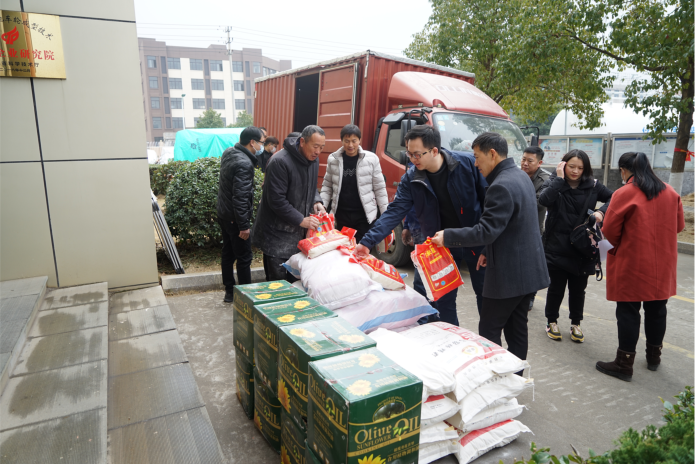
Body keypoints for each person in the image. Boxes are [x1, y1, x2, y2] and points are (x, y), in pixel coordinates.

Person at [430, 132, 550, 363]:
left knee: (489, 330)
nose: (475, 164)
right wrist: (487, 250)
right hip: (528, 270)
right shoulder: (521, 176)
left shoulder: (501, 185)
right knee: (517, 329)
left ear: (492, 154)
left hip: (509, 276)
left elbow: (485, 230)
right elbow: (513, 224)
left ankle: (495, 374)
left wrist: (448, 236)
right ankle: (515, 375)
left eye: (477, 157)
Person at [354, 125, 488, 324]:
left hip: (475, 239)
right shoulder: (412, 178)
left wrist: (488, 243)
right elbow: (395, 211)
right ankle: (449, 337)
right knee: (443, 300)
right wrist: (367, 242)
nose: (412, 159)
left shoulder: (466, 164)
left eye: (417, 154)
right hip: (440, 245)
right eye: (409, 154)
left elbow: (488, 201)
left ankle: (487, 340)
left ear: (434, 151)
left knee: (485, 296)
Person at [596, 152, 685, 382]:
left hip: (631, 262)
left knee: (628, 311)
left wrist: (608, 249)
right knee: (657, 310)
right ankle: (654, 358)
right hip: (662, 263)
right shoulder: (670, 191)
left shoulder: (624, 193)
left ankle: (624, 364)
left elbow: (610, 232)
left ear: (624, 170)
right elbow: (678, 226)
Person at [538, 149, 613, 342]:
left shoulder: (593, 186)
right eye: (571, 166)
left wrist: (602, 212)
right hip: (556, 245)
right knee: (556, 288)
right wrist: (559, 179)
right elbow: (544, 200)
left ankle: (576, 323)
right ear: (563, 165)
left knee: (578, 290)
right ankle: (551, 321)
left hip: (583, 247)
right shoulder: (554, 181)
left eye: (580, 168)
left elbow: (613, 198)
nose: (575, 171)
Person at [252, 125, 326, 281]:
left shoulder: (313, 160)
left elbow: (311, 186)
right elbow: (276, 200)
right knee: (278, 285)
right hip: (276, 235)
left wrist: (316, 201)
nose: (318, 151)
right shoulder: (280, 161)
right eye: (315, 146)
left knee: (296, 283)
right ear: (302, 142)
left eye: (321, 147)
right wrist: (301, 220)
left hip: (299, 235)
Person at [217, 126, 263, 302]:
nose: (261, 146)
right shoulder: (244, 163)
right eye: (261, 142)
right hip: (235, 219)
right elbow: (241, 197)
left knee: (228, 254)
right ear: (252, 142)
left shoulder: (229, 152)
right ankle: (245, 297)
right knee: (244, 258)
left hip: (224, 214)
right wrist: (243, 226)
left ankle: (229, 292)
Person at [320, 124, 389, 243]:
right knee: (343, 248)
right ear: (342, 141)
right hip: (341, 215)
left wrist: (385, 215)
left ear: (359, 140)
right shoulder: (333, 159)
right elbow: (327, 186)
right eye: (346, 141)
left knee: (362, 248)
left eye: (354, 141)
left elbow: (380, 189)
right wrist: (323, 206)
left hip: (364, 215)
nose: (350, 145)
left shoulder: (371, 159)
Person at [520, 146, 551, 311]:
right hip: (516, 230)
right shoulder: (516, 174)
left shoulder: (545, 179)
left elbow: (539, 203)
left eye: (529, 161)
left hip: (534, 231)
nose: (525, 163)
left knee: (532, 268)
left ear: (539, 163)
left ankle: (530, 297)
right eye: (523, 159)